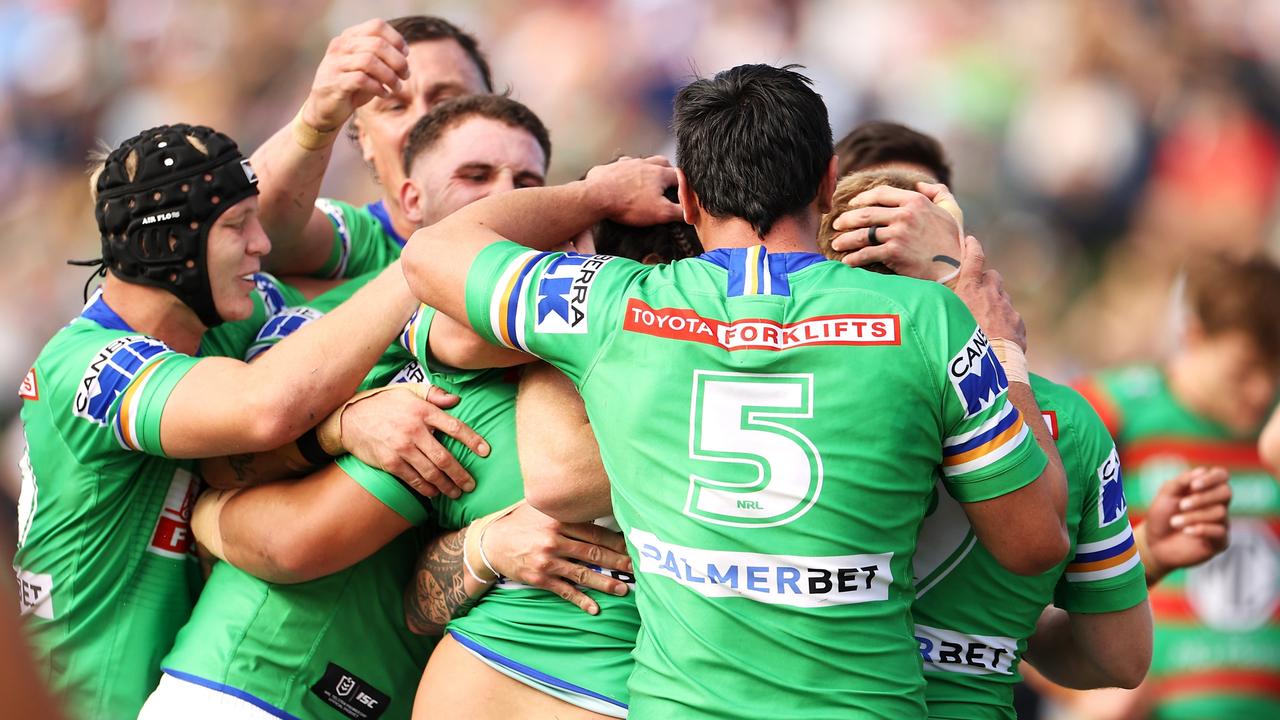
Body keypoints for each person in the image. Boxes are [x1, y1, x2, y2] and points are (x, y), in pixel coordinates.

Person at [401, 64, 1070, 718]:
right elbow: (1033, 543)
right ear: (828, 184)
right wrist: (1000, 343)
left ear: (689, 197)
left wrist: (596, 195)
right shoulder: (931, 318)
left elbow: (431, 253)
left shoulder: (613, 303)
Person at [137, 96, 613, 720]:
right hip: (255, 684)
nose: (502, 197)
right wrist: (332, 430)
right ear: (412, 200)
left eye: (525, 184)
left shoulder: (518, 343)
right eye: (476, 177)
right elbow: (262, 502)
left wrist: (484, 545)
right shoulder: (365, 329)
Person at [11, 122, 468, 719]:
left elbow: (332, 351)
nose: (261, 244)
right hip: (84, 695)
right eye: (236, 226)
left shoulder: (232, 319)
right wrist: (428, 261)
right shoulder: (84, 365)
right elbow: (268, 407)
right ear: (165, 245)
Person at [402, 200, 701, 720]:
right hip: (477, 669)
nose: (551, 259)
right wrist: (484, 547)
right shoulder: (458, 401)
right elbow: (415, 610)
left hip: (624, 683)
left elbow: (557, 484)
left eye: (569, 254)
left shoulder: (730, 379)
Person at [1072, 254, 1280, 719]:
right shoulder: (1110, 412)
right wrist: (1081, 691)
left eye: (1275, 369)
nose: (1262, 391)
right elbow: (1016, 573)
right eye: (1244, 370)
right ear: (1194, 337)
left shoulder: (1274, 435)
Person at [249, 15, 494, 278]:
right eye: (396, 107)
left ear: (499, 116)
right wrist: (316, 118)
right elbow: (256, 224)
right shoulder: (362, 243)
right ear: (364, 140)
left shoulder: (541, 231)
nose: (423, 120)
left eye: (447, 101)